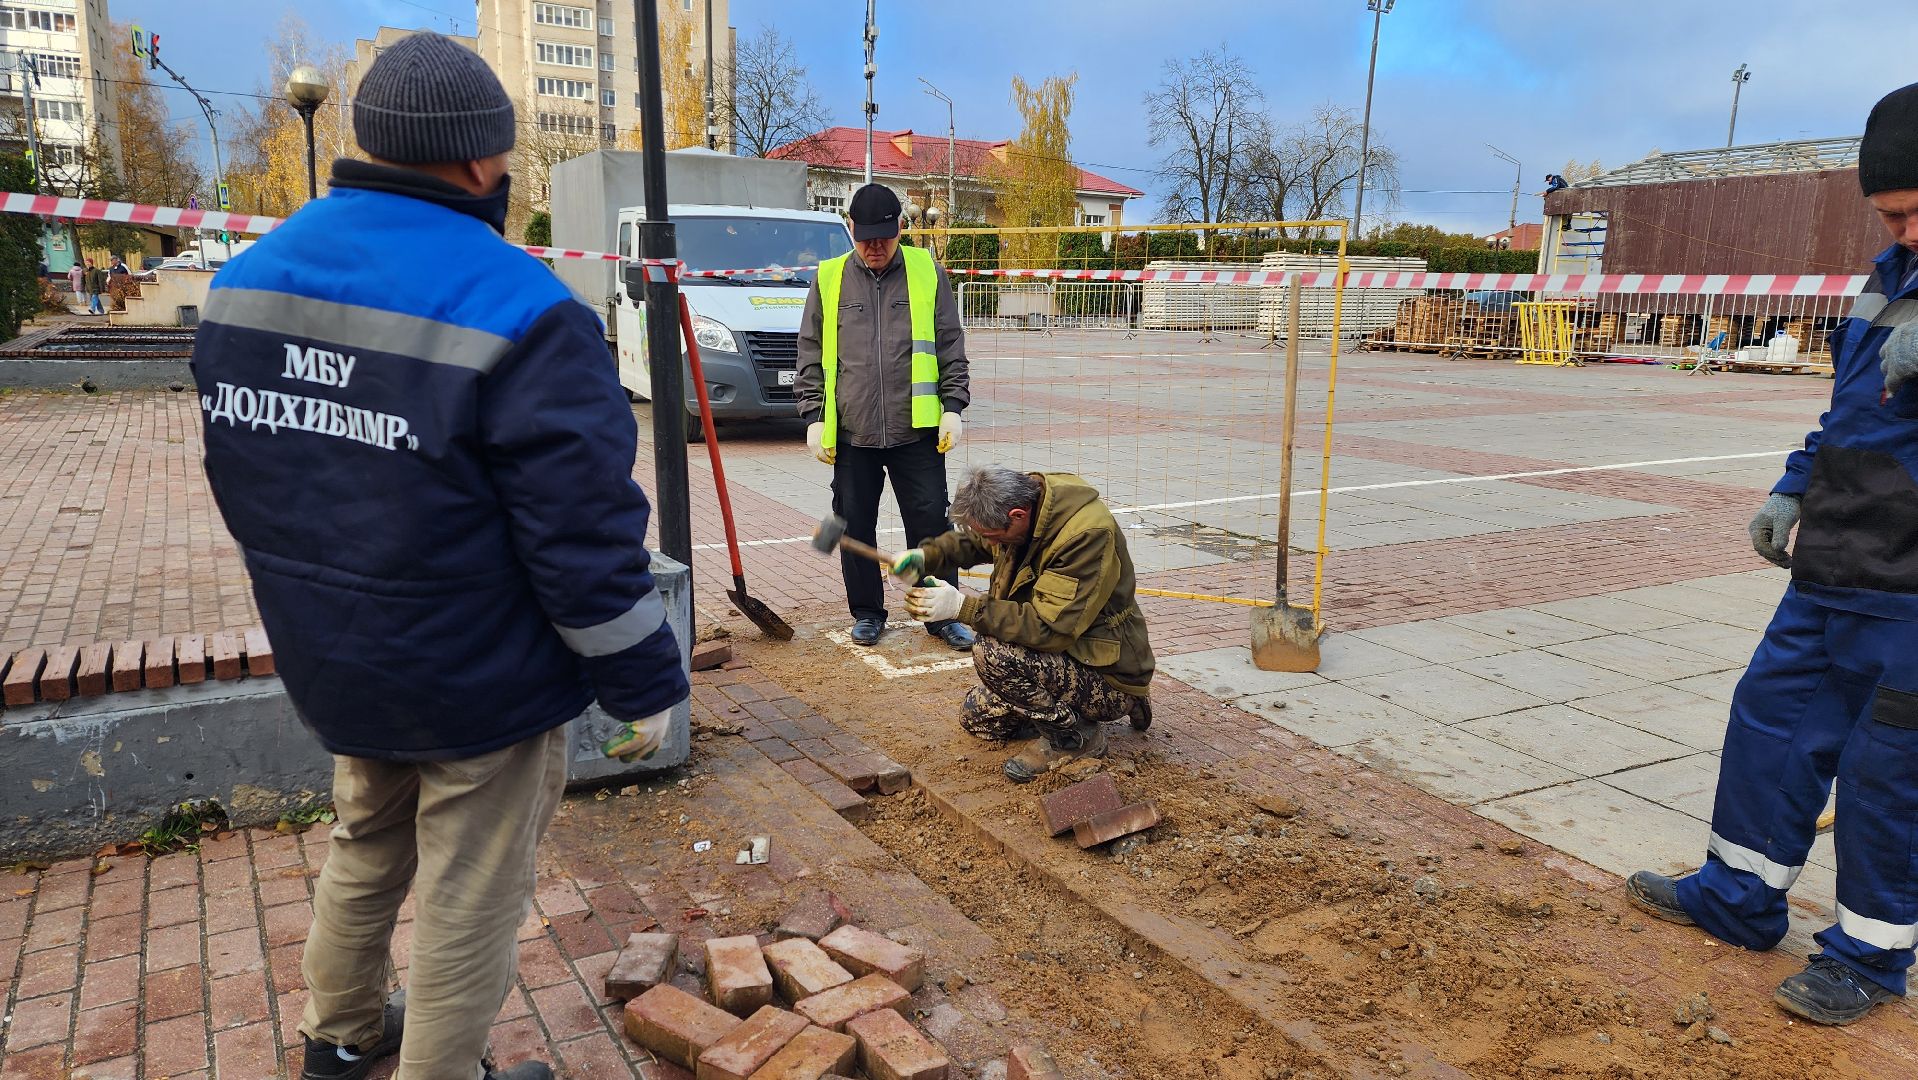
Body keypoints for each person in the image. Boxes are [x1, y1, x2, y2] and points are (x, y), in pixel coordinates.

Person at [190, 32, 686, 1080]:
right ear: (476, 162)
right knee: (472, 891)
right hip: (478, 676)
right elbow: (583, 534)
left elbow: (247, 479)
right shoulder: (525, 306)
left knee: (365, 843)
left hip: (336, 657)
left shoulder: (245, 282)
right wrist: (643, 679)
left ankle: (342, 1038)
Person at [1628, 81, 1918, 1027]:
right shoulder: (1890, 278)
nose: (1904, 232)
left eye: (1915, 213)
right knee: (1772, 724)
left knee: (1887, 776)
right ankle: (1739, 896)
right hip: (1834, 564)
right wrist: (1794, 485)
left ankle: (1868, 959)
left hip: (1913, 597)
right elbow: (1847, 413)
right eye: (1891, 216)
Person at [794, 182, 975, 651]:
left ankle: (940, 614)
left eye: (885, 237)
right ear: (850, 229)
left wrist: (953, 407)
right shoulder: (829, 277)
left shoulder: (926, 272)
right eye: (865, 238)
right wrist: (813, 415)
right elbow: (810, 351)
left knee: (932, 525)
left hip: (916, 431)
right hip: (853, 433)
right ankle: (868, 612)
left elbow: (950, 343)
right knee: (853, 523)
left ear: (900, 228)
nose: (875, 248)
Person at [888, 467, 1154, 782]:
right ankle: (1072, 710)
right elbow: (977, 540)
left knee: (993, 652)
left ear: (1016, 515)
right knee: (978, 719)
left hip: (1105, 665)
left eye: (992, 535)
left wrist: (964, 607)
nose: (988, 542)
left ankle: (1076, 738)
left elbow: (1048, 628)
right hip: (1068, 652)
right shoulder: (1025, 505)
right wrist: (926, 556)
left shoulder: (1085, 535)